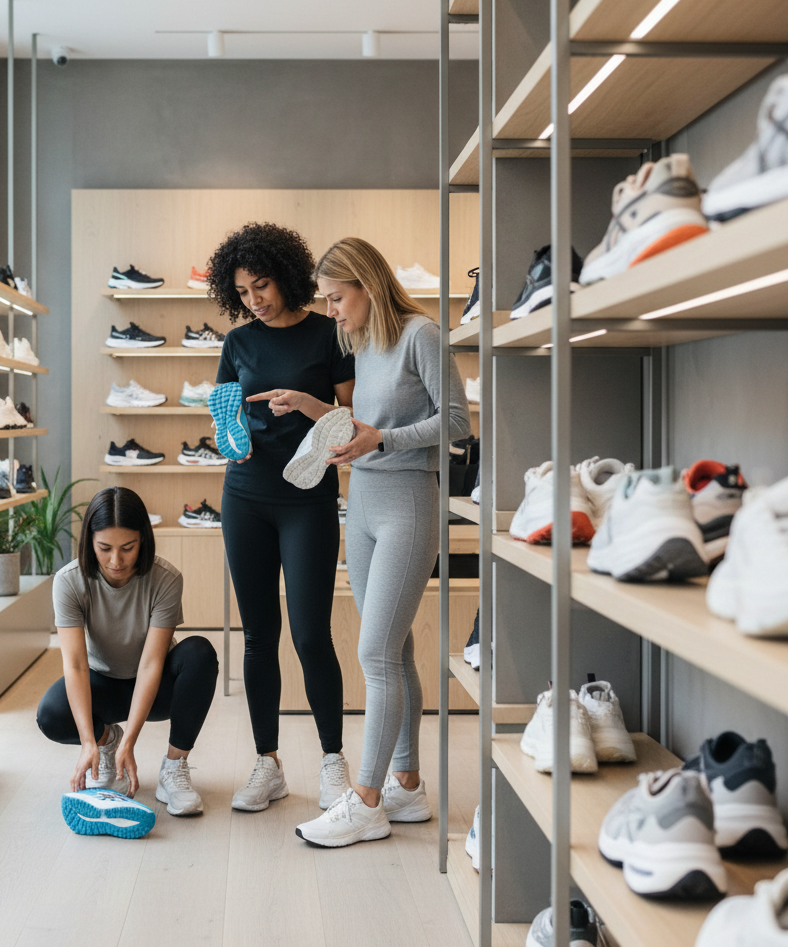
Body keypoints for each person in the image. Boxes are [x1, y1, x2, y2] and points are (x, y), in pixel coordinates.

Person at [291, 237, 471, 848]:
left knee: (374, 653)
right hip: (361, 504)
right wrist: (316, 411)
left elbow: (455, 423)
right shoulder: (361, 344)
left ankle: (365, 800)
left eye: (338, 298)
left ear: (367, 285)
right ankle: (408, 786)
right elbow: (362, 425)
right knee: (395, 651)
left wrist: (384, 441)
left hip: (408, 504)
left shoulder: (422, 334)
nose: (333, 311)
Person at [206, 221, 356, 812]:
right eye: (242, 293)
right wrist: (229, 434)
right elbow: (225, 418)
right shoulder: (238, 343)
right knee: (258, 636)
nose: (254, 301)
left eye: (262, 286)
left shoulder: (328, 334)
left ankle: (333, 763)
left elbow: (352, 417)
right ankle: (266, 762)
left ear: (287, 276)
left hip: (309, 495)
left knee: (311, 634)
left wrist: (306, 403)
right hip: (245, 493)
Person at [36, 486, 218, 817]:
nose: (116, 561)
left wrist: (131, 741)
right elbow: (75, 665)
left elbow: (151, 664)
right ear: (89, 542)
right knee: (50, 714)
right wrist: (89, 741)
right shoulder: (69, 581)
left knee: (200, 653)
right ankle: (106, 742)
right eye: (104, 548)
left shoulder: (166, 579)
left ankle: (174, 768)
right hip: (101, 683)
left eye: (128, 548)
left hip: (155, 685)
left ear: (142, 542)